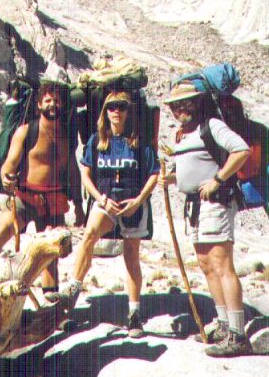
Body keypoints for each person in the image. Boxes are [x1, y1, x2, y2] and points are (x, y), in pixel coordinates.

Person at [46, 91, 160, 336]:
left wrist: (139, 200)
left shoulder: (138, 141)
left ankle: (134, 313)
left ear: (129, 111)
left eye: (121, 106)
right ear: (105, 111)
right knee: (89, 236)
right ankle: (73, 289)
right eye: (111, 107)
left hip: (133, 202)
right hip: (106, 200)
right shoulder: (97, 140)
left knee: (131, 255)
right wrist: (100, 199)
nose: (116, 111)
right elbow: (85, 173)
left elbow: (153, 173)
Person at [158, 81, 251, 357]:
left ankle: (238, 335)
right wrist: (172, 178)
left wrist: (217, 180)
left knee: (222, 265)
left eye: (186, 102)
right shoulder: (183, 135)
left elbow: (241, 150)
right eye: (176, 105)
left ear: (198, 102)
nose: (180, 108)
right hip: (196, 206)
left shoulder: (212, 126)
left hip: (216, 201)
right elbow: (193, 167)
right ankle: (223, 325)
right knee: (207, 265)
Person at [0, 82, 85, 293]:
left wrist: (79, 204)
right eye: (48, 100)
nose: (52, 104)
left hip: (53, 202)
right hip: (25, 197)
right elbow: (10, 162)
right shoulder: (26, 131)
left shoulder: (66, 136)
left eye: (57, 101)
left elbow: (72, 171)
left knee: (50, 257)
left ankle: (51, 301)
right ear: (39, 105)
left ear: (63, 105)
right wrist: (6, 178)